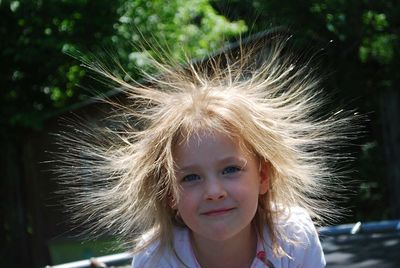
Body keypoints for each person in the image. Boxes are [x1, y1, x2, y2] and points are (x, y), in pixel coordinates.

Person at [58, 35, 356, 267]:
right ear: (168, 194)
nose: (214, 191)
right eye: (190, 178)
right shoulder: (157, 260)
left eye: (230, 169)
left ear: (263, 176)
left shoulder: (294, 239)